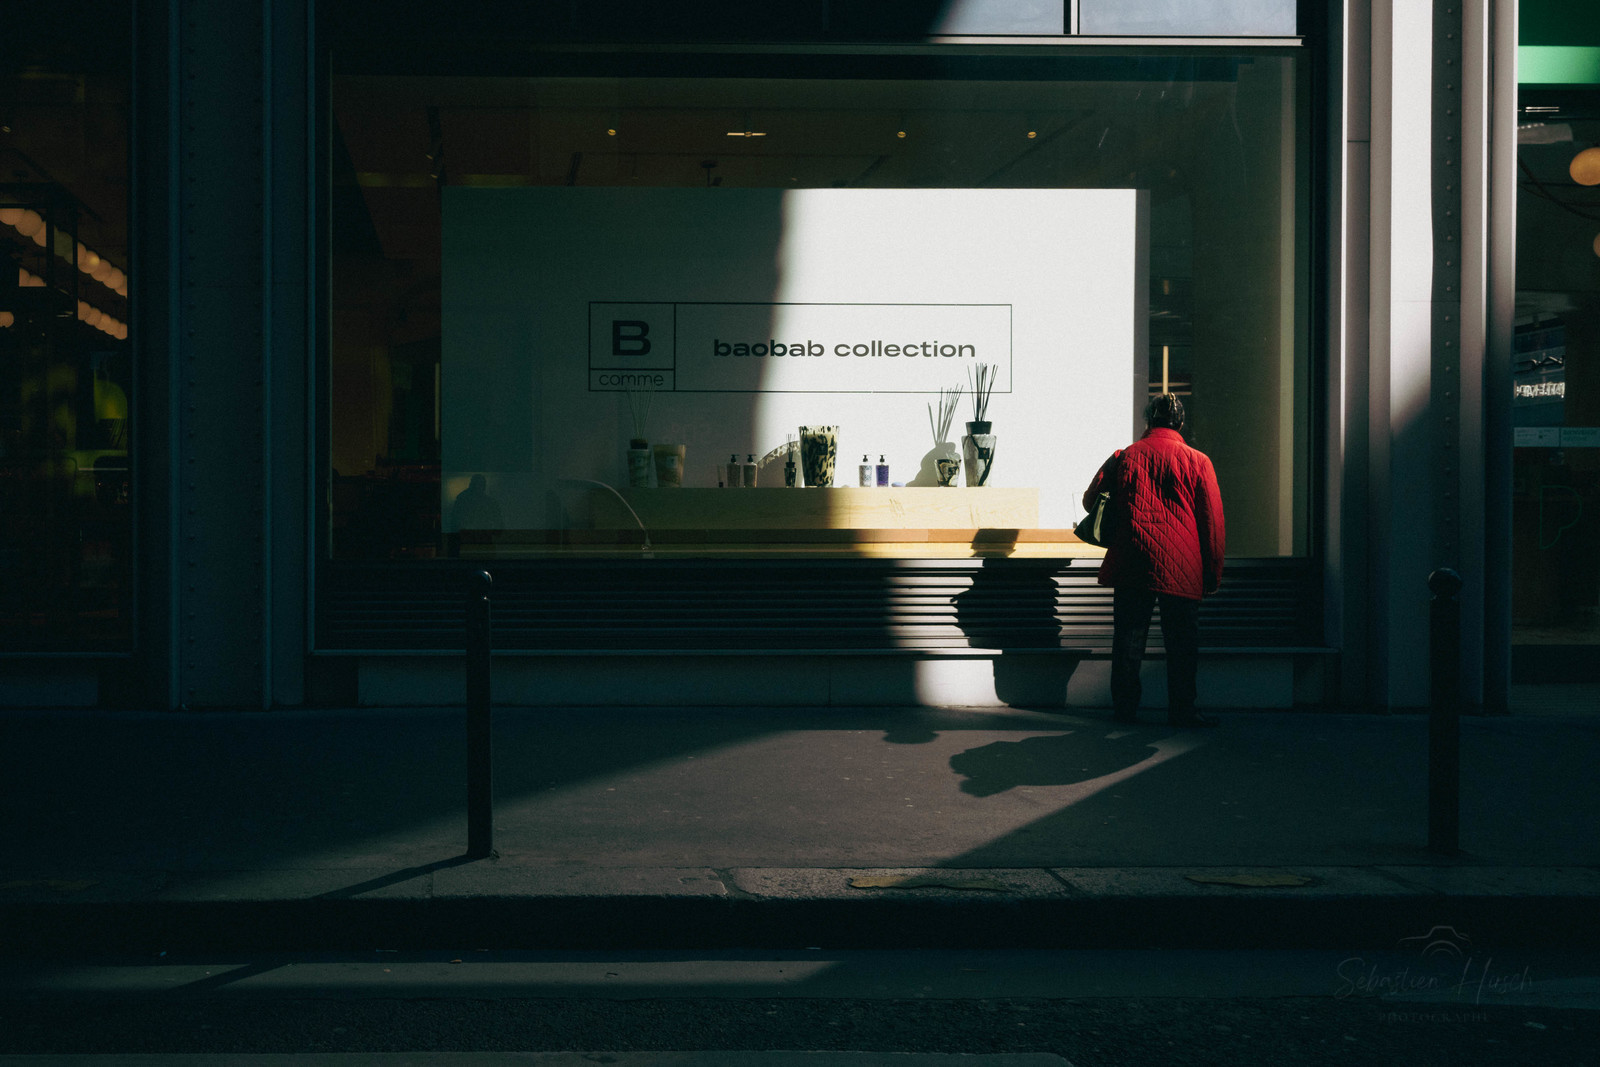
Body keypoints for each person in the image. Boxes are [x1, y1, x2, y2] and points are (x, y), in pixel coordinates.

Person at [1082, 393, 1225, 727]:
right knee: (1182, 643)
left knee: (1129, 638)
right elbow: (1212, 523)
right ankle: (1183, 711)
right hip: (1183, 562)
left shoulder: (1124, 456)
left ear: (1148, 421)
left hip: (1134, 557)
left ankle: (1125, 710)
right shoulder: (1198, 461)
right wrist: (1213, 573)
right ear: (1180, 422)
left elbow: (1091, 502)